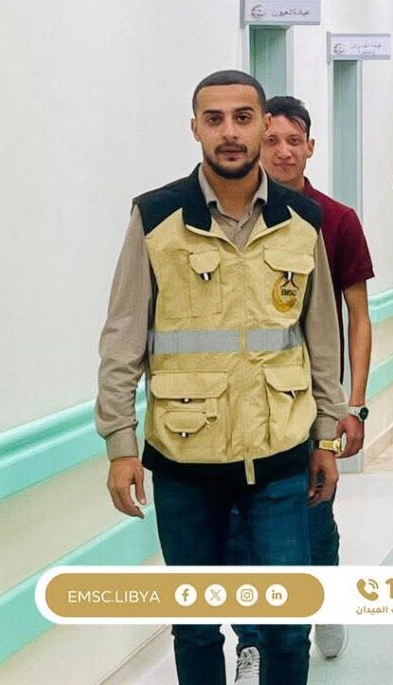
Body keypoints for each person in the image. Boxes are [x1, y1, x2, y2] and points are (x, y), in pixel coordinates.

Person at [96, 70, 347, 685]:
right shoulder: (156, 217)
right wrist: (120, 444)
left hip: (280, 455)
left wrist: (327, 436)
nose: (229, 132)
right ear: (195, 129)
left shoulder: (303, 218)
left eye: (242, 117)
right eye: (214, 119)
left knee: (287, 624)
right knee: (196, 624)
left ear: (263, 126)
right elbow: (123, 335)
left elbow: (321, 338)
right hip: (185, 457)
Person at [228, 95, 374, 676]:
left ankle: (325, 600)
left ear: (311, 147)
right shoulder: (233, 217)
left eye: (295, 141)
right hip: (241, 408)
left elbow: (358, 317)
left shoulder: (334, 220)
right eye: (272, 140)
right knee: (240, 530)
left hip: (313, 405)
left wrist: (353, 405)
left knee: (313, 515)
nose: (283, 151)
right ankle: (251, 642)